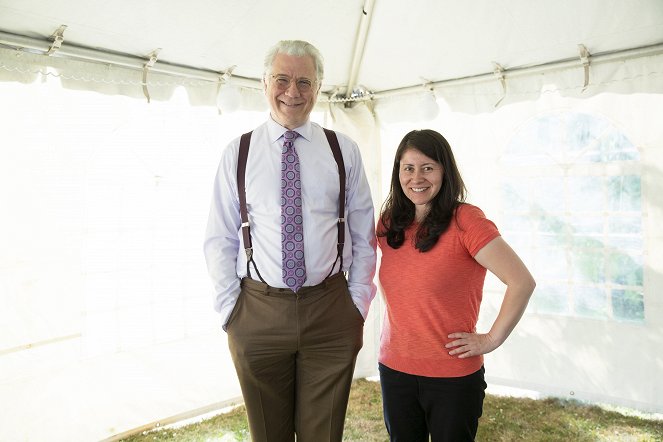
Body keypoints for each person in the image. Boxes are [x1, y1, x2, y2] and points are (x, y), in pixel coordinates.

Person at [203, 40, 377, 442]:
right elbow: (220, 237)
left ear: (318, 87)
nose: (292, 92)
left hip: (331, 310)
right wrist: (232, 310)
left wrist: (356, 305)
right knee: (268, 435)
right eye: (282, 79)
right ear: (264, 83)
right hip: (257, 312)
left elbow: (363, 234)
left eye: (304, 81)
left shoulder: (342, 150)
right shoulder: (238, 152)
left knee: (325, 435)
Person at [376, 129, 536, 442]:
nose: (417, 177)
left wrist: (490, 339)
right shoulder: (389, 222)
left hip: (451, 376)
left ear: (444, 171)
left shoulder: (467, 220)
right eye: (408, 168)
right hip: (394, 368)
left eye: (427, 168)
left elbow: (521, 281)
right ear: (398, 173)